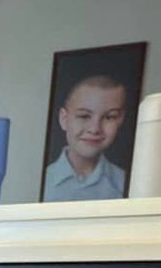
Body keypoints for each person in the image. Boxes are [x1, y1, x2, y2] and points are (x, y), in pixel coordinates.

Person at [41, 73, 128, 201]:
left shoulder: (125, 183)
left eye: (110, 117)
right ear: (64, 119)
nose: (95, 129)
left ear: (121, 120)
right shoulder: (41, 179)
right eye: (84, 116)